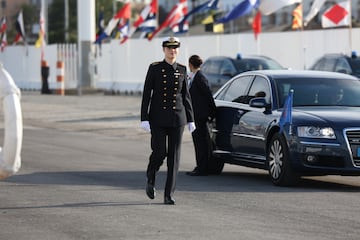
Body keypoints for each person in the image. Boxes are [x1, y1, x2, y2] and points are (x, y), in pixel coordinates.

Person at [140, 36, 195, 205]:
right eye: (169, 48)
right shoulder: (155, 68)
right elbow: (147, 94)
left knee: (174, 157)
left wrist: (190, 119)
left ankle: (168, 194)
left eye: (175, 48)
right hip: (157, 118)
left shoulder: (182, 69)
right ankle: (151, 175)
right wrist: (144, 118)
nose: (172, 51)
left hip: (177, 118)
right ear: (164, 49)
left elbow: (186, 96)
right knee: (160, 152)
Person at [186, 55, 216, 176]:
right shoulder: (195, 77)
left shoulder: (200, 78)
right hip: (196, 116)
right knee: (199, 142)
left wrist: (212, 111)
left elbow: (208, 95)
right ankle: (201, 166)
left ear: (191, 64)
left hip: (200, 116)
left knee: (201, 143)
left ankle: (202, 168)